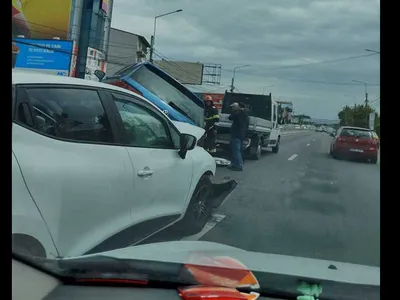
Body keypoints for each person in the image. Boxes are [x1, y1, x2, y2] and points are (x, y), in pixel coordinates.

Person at [228, 102, 249, 171]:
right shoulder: (245, 114)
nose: (233, 108)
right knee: (238, 150)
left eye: (233, 107)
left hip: (236, 133)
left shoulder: (238, 113)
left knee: (236, 150)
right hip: (241, 134)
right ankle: (236, 164)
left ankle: (239, 165)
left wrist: (234, 111)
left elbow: (230, 117)